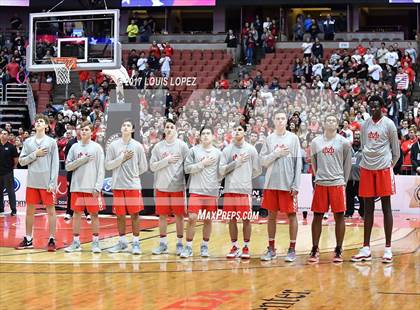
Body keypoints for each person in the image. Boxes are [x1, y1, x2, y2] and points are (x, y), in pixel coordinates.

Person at [352, 95, 400, 263]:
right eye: (370, 106)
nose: (373, 109)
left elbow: (396, 151)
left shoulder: (389, 124)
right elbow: (365, 145)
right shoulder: (365, 125)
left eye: (376, 106)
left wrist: (389, 164)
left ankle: (388, 248)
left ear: (382, 108)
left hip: (384, 168)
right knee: (367, 208)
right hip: (367, 168)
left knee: (386, 207)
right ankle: (366, 248)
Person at [309, 115, 352, 263]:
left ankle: (338, 249)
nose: (331, 122)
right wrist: (318, 176)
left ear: (337, 124)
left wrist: (343, 181)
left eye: (333, 120)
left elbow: (347, 164)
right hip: (321, 182)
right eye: (328, 120)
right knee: (317, 216)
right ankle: (315, 248)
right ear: (324, 123)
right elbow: (314, 163)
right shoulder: (315, 142)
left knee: (339, 216)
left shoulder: (344, 142)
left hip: (337, 183)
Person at [259, 111, 302, 262]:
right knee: (271, 216)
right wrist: (276, 153)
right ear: (273, 121)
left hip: (288, 184)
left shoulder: (293, 138)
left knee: (292, 216)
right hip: (271, 183)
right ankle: (271, 249)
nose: (280, 121)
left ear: (286, 121)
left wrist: (296, 184)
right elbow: (262, 161)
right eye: (277, 118)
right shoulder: (269, 139)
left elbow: (298, 163)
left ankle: (292, 249)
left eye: (283, 118)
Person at [16, 114, 59, 251]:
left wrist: (53, 182)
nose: (39, 122)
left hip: (47, 183)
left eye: (42, 121)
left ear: (46, 126)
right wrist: (36, 153)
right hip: (32, 182)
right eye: (37, 121)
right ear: (35, 125)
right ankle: (28, 239)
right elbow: (22, 161)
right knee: (29, 211)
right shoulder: (28, 142)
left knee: (51, 212)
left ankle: (52, 239)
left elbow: (55, 164)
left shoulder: (51, 142)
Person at [105, 119, 148, 255]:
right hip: (118, 185)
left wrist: (133, 175)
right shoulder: (113, 146)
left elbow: (144, 167)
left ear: (133, 130)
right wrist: (121, 159)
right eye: (123, 125)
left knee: (135, 214)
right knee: (120, 215)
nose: (125, 127)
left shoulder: (137, 146)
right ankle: (122, 242)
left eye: (128, 125)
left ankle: (136, 243)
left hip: (132, 186)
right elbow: (108, 165)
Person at [219, 124, 261, 259]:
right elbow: (221, 170)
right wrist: (236, 163)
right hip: (230, 189)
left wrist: (245, 178)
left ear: (244, 133)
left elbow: (257, 170)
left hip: (244, 190)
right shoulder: (226, 150)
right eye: (235, 129)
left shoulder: (251, 149)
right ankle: (235, 246)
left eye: (240, 129)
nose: (237, 131)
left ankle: (246, 247)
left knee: (246, 219)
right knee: (232, 219)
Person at [181, 126, 222, 258]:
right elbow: (186, 169)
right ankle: (188, 247)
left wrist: (217, 184)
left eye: (208, 133)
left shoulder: (218, 153)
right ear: (200, 136)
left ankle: (204, 246)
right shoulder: (193, 151)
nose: (205, 136)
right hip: (196, 191)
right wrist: (202, 164)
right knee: (192, 218)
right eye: (203, 133)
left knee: (208, 220)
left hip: (211, 192)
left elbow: (221, 172)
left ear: (213, 136)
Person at [64, 121, 105, 253]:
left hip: (91, 187)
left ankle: (96, 243)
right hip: (77, 187)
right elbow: (68, 166)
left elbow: (101, 169)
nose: (84, 131)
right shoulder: (74, 147)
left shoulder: (97, 148)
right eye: (82, 129)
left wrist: (98, 187)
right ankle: (76, 243)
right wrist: (81, 160)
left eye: (86, 129)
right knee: (76, 214)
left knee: (94, 214)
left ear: (91, 132)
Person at [150, 119, 189, 255]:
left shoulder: (183, 146)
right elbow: (152, 166)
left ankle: (179, 244)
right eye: (167, 127)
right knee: (162, 216)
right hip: (161, 187)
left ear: (176, 129)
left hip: (177, 187)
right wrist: (167, 161)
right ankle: (163, 244)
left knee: (179, 216)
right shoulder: (158, 147)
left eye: (172, 127)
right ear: (164, 130)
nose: (169, 129)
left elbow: (188, 167)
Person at [63, 124, 90, 221]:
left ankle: (88, 213)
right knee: (71, 193)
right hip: (73, 172)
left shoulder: (89, 143)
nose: (80, 131)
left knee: (86, 192)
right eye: (79, 129)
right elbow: (67, 158)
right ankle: (69, 212)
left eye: (82, 129)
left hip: (86, 172)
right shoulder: (71, 143)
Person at [345, 131, 364, 218]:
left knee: (361, 197)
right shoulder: (349, 149)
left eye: (358, 138)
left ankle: (362, 213)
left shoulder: (363, 149)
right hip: (349, 178)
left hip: (359, 178)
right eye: (355, 138)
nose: (356, 139)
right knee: (349, 197)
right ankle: (349, 212)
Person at [0, 128, 18, 216]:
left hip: (8, 173)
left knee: (10, 191)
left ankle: (13, 209)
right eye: (2, 133)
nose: (3, 135)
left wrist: (12, 168)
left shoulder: (11, 147)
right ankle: (0, 208)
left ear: (8, 136)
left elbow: (16, 160)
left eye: (5, 134)